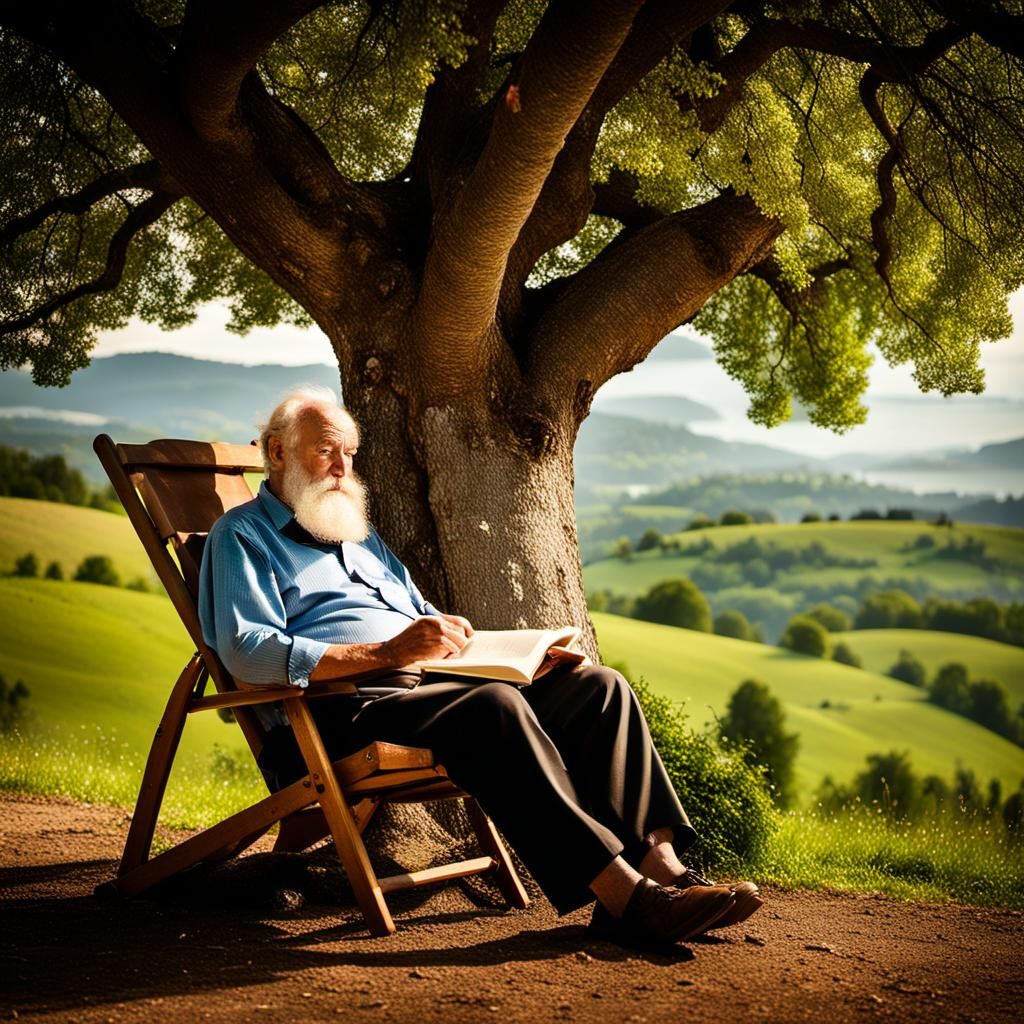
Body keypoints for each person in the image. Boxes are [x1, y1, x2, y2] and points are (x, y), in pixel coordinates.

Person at [198, 385, 763, 948]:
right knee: (493, 707)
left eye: (349, 451)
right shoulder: (241, 537)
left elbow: (423, 619)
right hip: (338, 714)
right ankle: (625, 899)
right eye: (326, 450)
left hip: (432, 690)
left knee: (597, 688)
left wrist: (521, 661)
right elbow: (247, 650)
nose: (343, 466)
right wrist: (388, 654)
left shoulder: (356, 533)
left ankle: (664, 871)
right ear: (277, 452)